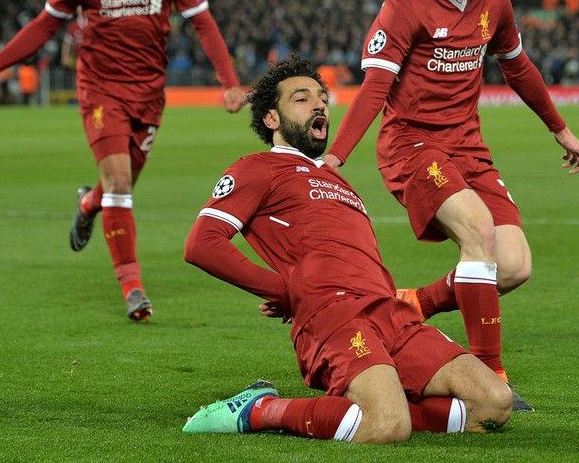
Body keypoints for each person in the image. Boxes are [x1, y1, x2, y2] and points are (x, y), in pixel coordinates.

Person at [322, 0, 579, 411]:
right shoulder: (404, 2)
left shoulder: (495, 2)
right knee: (479, 233)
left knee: (512, 266)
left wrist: (561, 130)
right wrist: (336, 157)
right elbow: (375, 88)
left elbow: (519, 69)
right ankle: (490, 379)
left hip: (468, 147)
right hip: (412, 146)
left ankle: (413, 304)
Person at [182, 56, 511, 443]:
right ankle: (260, 410)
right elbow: (202, 243)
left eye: (322, 98)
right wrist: (283, 290)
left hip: (390, 313)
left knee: (494, 404)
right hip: (334, 317)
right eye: (301, 99)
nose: (319, 104)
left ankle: (376, 406)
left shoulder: (339, 182)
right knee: (387, 427)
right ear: (271, 119)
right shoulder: (256, 168)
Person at [0, 0, 245, 322]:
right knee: (119, 181)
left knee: (120, 184)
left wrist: (229, 82)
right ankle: (132, 286)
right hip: (99, 89)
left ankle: (87, 204)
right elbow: (43, 25)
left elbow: (204, 25)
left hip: (149, 93)